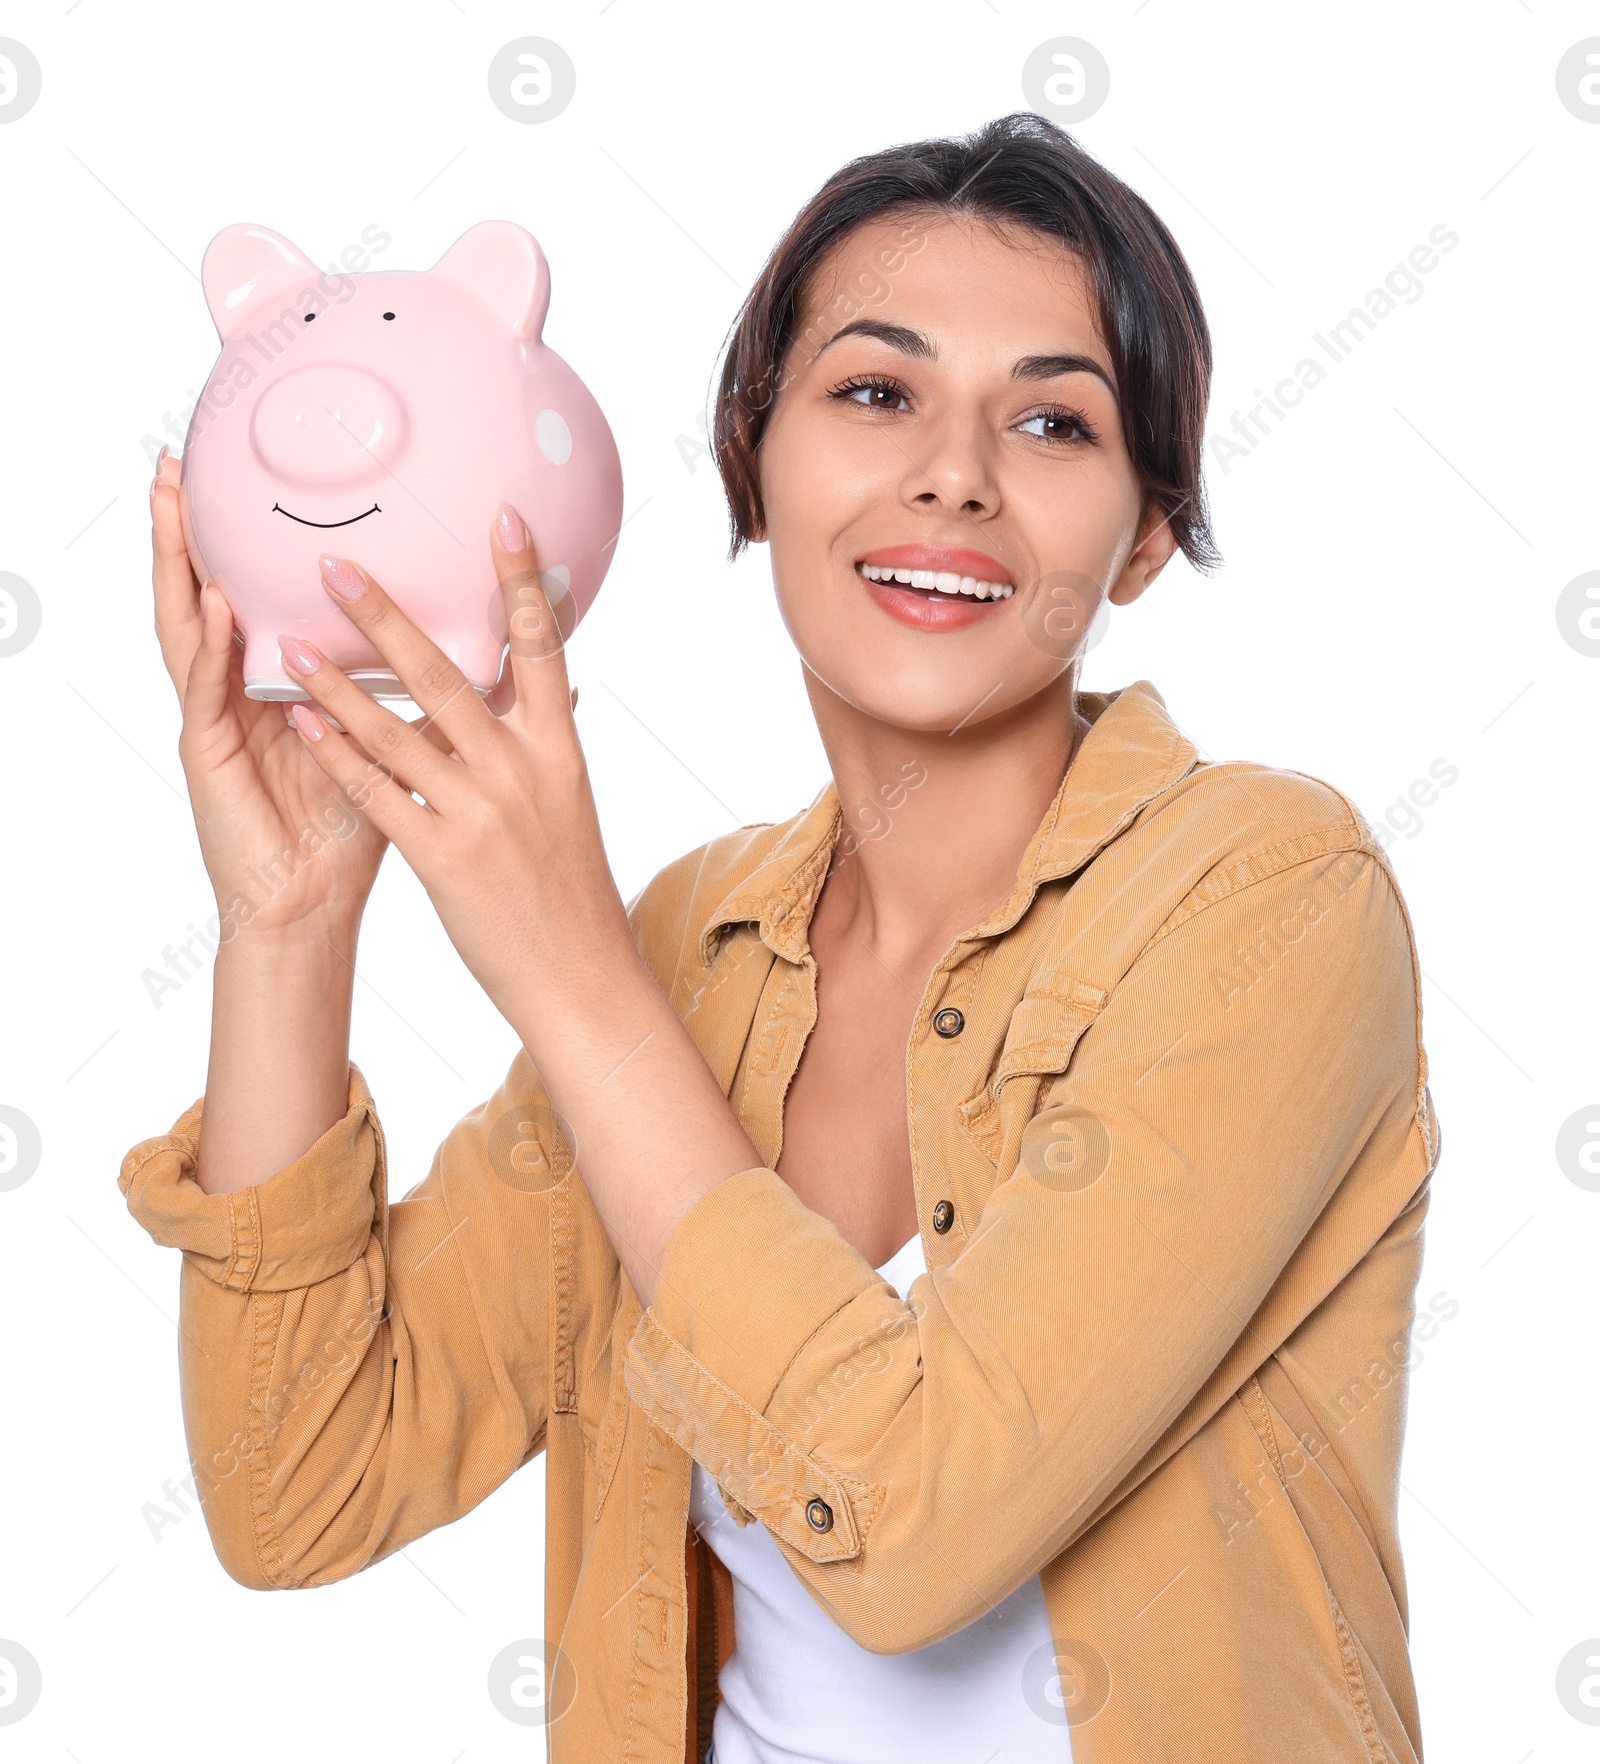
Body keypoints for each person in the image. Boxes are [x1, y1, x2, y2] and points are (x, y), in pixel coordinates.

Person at [118, 112, 1441, 1763]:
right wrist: (288, 931)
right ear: (751, 456)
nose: (953, 473)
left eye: (1052, 419)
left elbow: (915, 1528)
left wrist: (575, 979)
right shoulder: (694, 942)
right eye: (876, 393)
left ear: (1149, 531)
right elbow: (295, 1484)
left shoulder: (1270, 897)